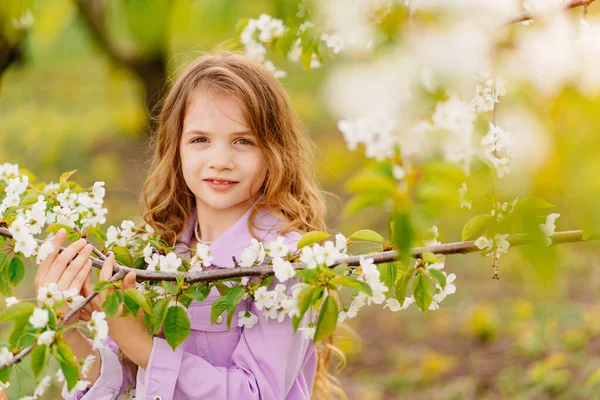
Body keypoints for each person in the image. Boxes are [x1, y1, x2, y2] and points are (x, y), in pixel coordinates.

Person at [34, 51, 344, 399]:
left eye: (244, 141)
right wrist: (68, 324)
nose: (220, 161)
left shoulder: (285, 265)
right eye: (200, 140)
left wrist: (141, 344)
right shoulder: (153, 250)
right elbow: (118, 383)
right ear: (176, 148)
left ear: (274, 151)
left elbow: (257, 393)